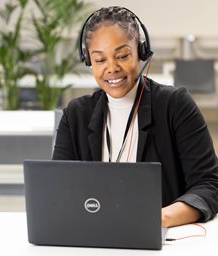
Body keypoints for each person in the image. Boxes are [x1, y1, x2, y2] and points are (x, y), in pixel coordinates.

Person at [52, 6, 218, 228]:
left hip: (161, 242)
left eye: (122, 56)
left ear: (141, 52)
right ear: (88, 60)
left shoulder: (175, 105)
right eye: (100, 60)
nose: (111, 68)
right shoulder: (76, 115)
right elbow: (56, 190)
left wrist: (157, 218)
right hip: (93, 237)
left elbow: (209, 185)